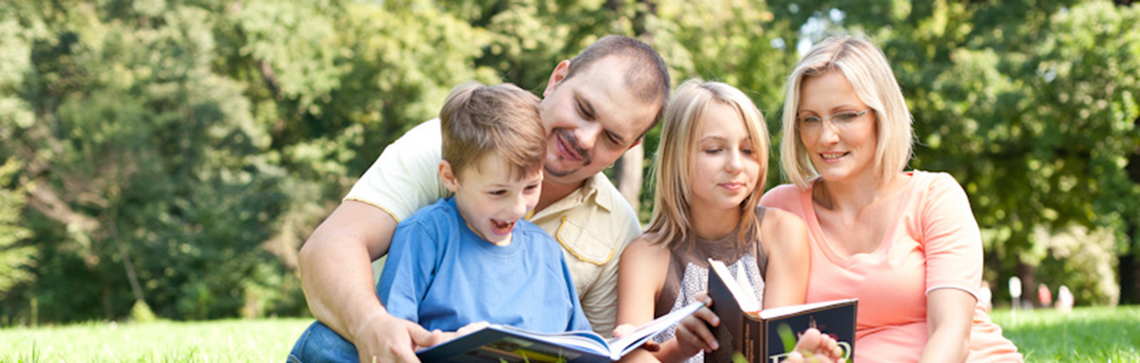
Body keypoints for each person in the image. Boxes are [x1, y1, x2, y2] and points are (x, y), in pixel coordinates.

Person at [297, 35, 670, 363]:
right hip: (411, 348)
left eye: (612, 138)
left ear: (631, 147)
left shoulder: (618, 226)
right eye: (584, 109)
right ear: (557, 79)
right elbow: (330, 247)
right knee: (331, 345)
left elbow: (590, 347)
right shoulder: (450, 145)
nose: (586, 139)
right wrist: (372, 325)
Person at [759, 35, 1024, 362]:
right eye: (810, 119)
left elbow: (952, 334)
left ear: (880, 115)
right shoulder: (778, 210)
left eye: (845, 115)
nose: (826, 136)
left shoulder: (935, 198)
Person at [290, 82, 591, 362]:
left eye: (530, 187)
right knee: (325, 344)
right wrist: (449, 342)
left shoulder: (546, 252)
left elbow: (580, 341)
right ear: (450, 177)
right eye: (498, 192)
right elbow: (395, 336)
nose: (517, 207)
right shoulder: (426, 234)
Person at [614, 79, 833, 363]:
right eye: (714, 150)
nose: (735, 165)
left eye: (748, 150)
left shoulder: (782, 232)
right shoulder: (645, 256)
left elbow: (777, 349)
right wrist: (681, 348)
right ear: (676, 157)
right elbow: (631, 357)